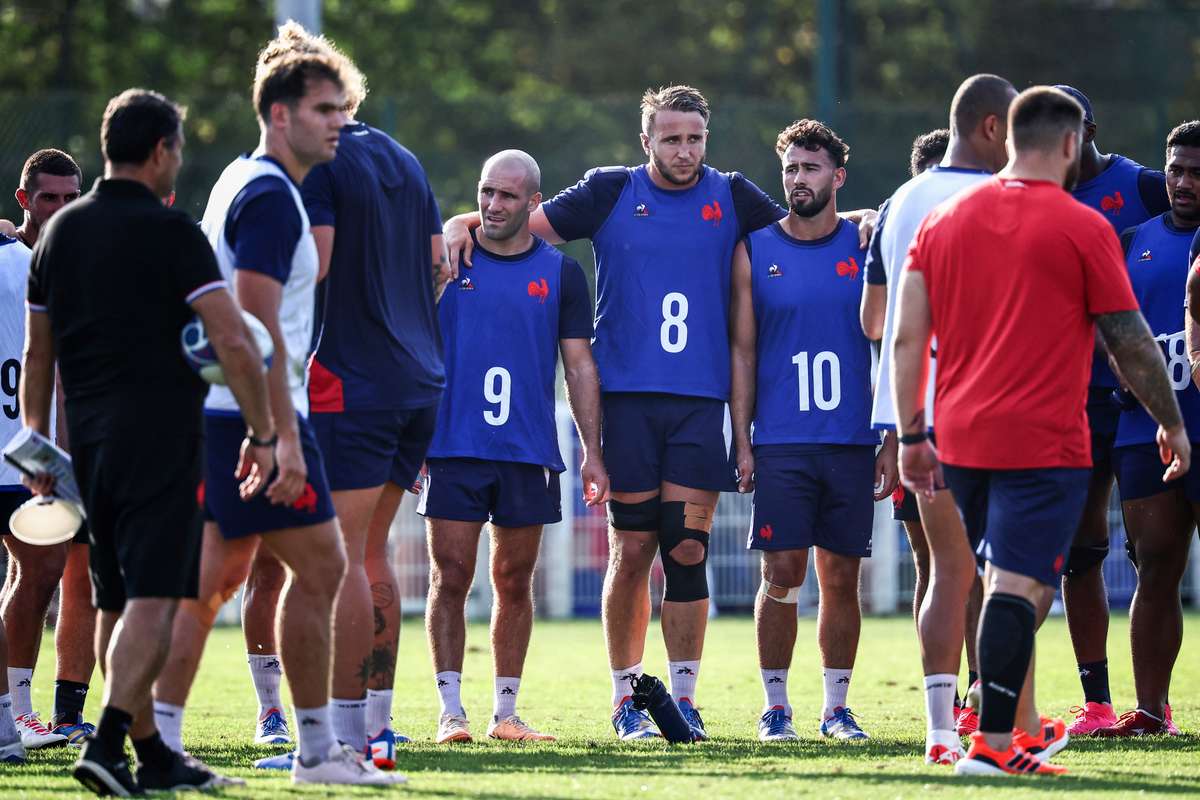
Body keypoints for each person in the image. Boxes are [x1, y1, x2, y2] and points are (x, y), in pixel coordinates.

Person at [443, 85, 791, 741]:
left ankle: (684, 699)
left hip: (699, 406)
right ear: (646, 140)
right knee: (631, 548)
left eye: (694, 138)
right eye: (670, 138)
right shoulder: (609, 191)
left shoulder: (733, 195)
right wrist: (461, 221)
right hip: (625, 405)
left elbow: (803, 231)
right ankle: (626, 698)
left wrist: (864, 222)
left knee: (687, 547)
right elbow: (514, 224)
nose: (683, 151)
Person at [893, 85, 1189, 777]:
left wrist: (911, 434)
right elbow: (1130, 340)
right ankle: (994, 744)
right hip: (1043, 439)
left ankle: (1013, 733)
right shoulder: (1080, 225)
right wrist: (1171, 421)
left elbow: (905, 336)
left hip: (956, 435)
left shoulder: (946, 219)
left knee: (981, 577)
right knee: (1020, 587)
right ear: (1066, 143)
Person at [148, 29, 401, 786]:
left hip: (235, 414)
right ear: (280, 113)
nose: (338, 124)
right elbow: (253, 334)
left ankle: (157, 740)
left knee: (213, 582)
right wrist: (280, 437)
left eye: (344, 109)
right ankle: (314, 754)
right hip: (250, 417)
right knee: (316, 567)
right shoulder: (268, 198)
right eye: (326, 109)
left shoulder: (246, 180)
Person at [23, 87, 275, 795]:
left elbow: (38, 357)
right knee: (158, 600)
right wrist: (263, 431)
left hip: (90, 446)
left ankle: (152, 753)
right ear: (162, 151)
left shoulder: (63, 230)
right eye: (179, 150)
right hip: (161, 437)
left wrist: (37, 446)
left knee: (114, 599)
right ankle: (106, 745)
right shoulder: (172, 232)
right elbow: (230, 336)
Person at [289, 23, 447, 766]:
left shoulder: (319, 164)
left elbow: (312, 265)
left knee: (339, 559)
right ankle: (375, 724)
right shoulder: (406, 158)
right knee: (373, 554)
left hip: (353, 380)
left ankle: (345, 737)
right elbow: (438, 262)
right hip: (419, 380)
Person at [421, 149, 607, 744]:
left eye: (506, 196)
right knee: (449, 575)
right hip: (454, 445)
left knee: (513, 577)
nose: (492, 205)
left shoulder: (561, 273)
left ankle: (506, 712)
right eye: (484, 193)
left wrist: (591, 450)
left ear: (533, 203)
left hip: (527, 450)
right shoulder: (449, 260)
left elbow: (579, 369)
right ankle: (451, 712)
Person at [859, 74, 1017, 765]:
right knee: (1010, 572)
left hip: (914, 410)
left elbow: (875, 319)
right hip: (992, 404)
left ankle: (939, 730)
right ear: (990, 127)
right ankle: (1005, 722)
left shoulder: (900, 201)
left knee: (947, 571)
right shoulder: (999, 197)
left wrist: (896, 424)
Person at [730, 120, 897, 743]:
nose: (799, 179)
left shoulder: (866, 245)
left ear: (838, 176)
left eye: (812, 168)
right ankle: (776, 707)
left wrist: (891, 439)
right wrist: (742, 440)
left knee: (841, 578)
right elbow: (743, 352)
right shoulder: (755, 249)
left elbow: (892, 347)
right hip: (781, 441)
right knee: (781, 572)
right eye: (792, 168)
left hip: (852, 439)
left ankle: (836, 707)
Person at [1052, 85, 1172, 737]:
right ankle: (1097, 701)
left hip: (1142, 401)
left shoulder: (1145, 187)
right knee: (1081, 552)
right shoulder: (1039, 196)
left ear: (1090, 128)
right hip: (1073, 400)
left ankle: (1155, 702)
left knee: (1155, 553)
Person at [1098, 121, 1200, 737]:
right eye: (1177, 170)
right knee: (1154, 565)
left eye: (1197, 173)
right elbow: (1107, 323)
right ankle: (1150, 709)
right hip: (1145, 429)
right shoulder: (1133, 239)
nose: (1184, 183)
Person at [1, 148, 96, 749]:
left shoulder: (81, 263)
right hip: (19, 433)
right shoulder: (12, 255)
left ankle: (28, 710)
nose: (59, 209)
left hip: (52, 445)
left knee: (44, 573)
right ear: (24, 201)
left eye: (69, 198)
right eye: (47, 199)